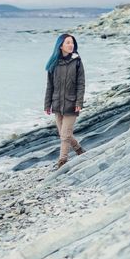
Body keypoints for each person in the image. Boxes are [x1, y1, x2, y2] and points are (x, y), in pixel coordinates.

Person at [44, 33, 86, 169]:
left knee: (65, 135)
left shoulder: (77, 61)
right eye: (68, 42)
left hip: (71, 104)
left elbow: (81, 84)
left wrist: (79, 102)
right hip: (57, 104)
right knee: (64, 134)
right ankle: (80, 151)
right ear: (60, 45)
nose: (71, 45)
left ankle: (62, 161)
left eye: (72, 42)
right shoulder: (53, 63)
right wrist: (47, 104)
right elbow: (49, 86)